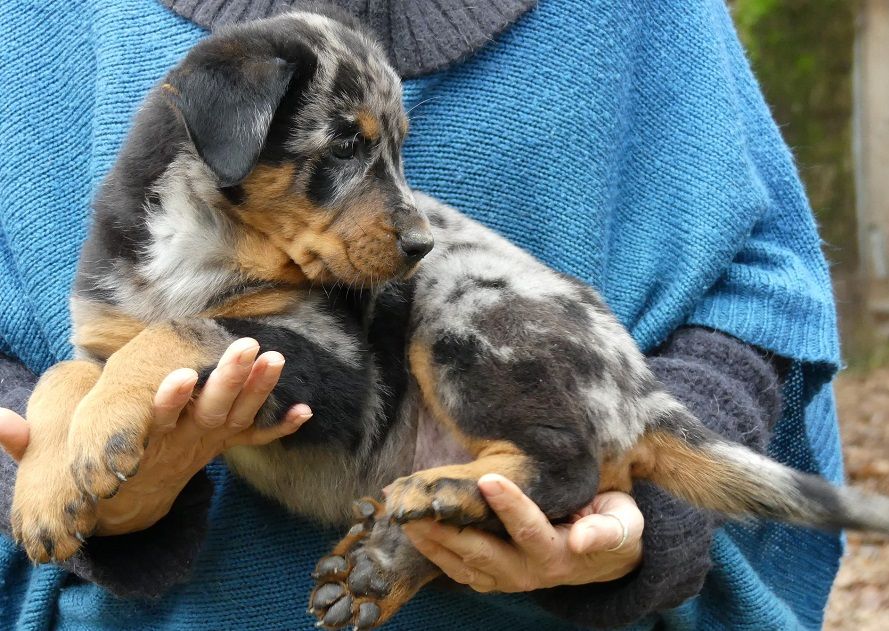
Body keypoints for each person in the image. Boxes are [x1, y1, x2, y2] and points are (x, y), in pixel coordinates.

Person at [0, 0, 843, 629]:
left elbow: (758, 279)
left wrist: (651, 513)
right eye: (345, 150)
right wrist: (82, 493)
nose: (407, 225)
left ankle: (532, 467)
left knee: (470, 331)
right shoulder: (50, 33)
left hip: (547, 445)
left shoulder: (647, 20)